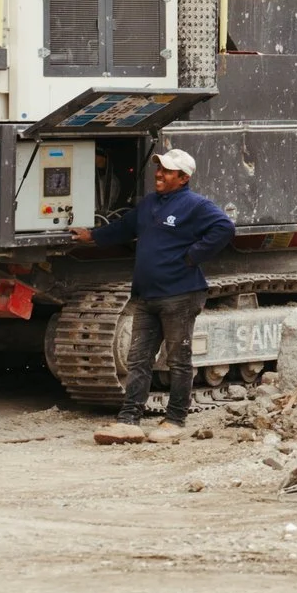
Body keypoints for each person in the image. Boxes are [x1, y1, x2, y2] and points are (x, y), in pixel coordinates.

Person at [79, 147, 234, 429]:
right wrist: (92, 236)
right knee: (138, 360)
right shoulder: (150, 203)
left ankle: (174, 419)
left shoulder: (195, 206)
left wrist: (192, 256)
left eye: (166, 171)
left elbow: (224, 227)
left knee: (178, 361)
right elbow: (124, 227)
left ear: (183, 178)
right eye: (159, 169)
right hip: (147, 296)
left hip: (180, 296)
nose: (159, 174)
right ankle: (129, 419)